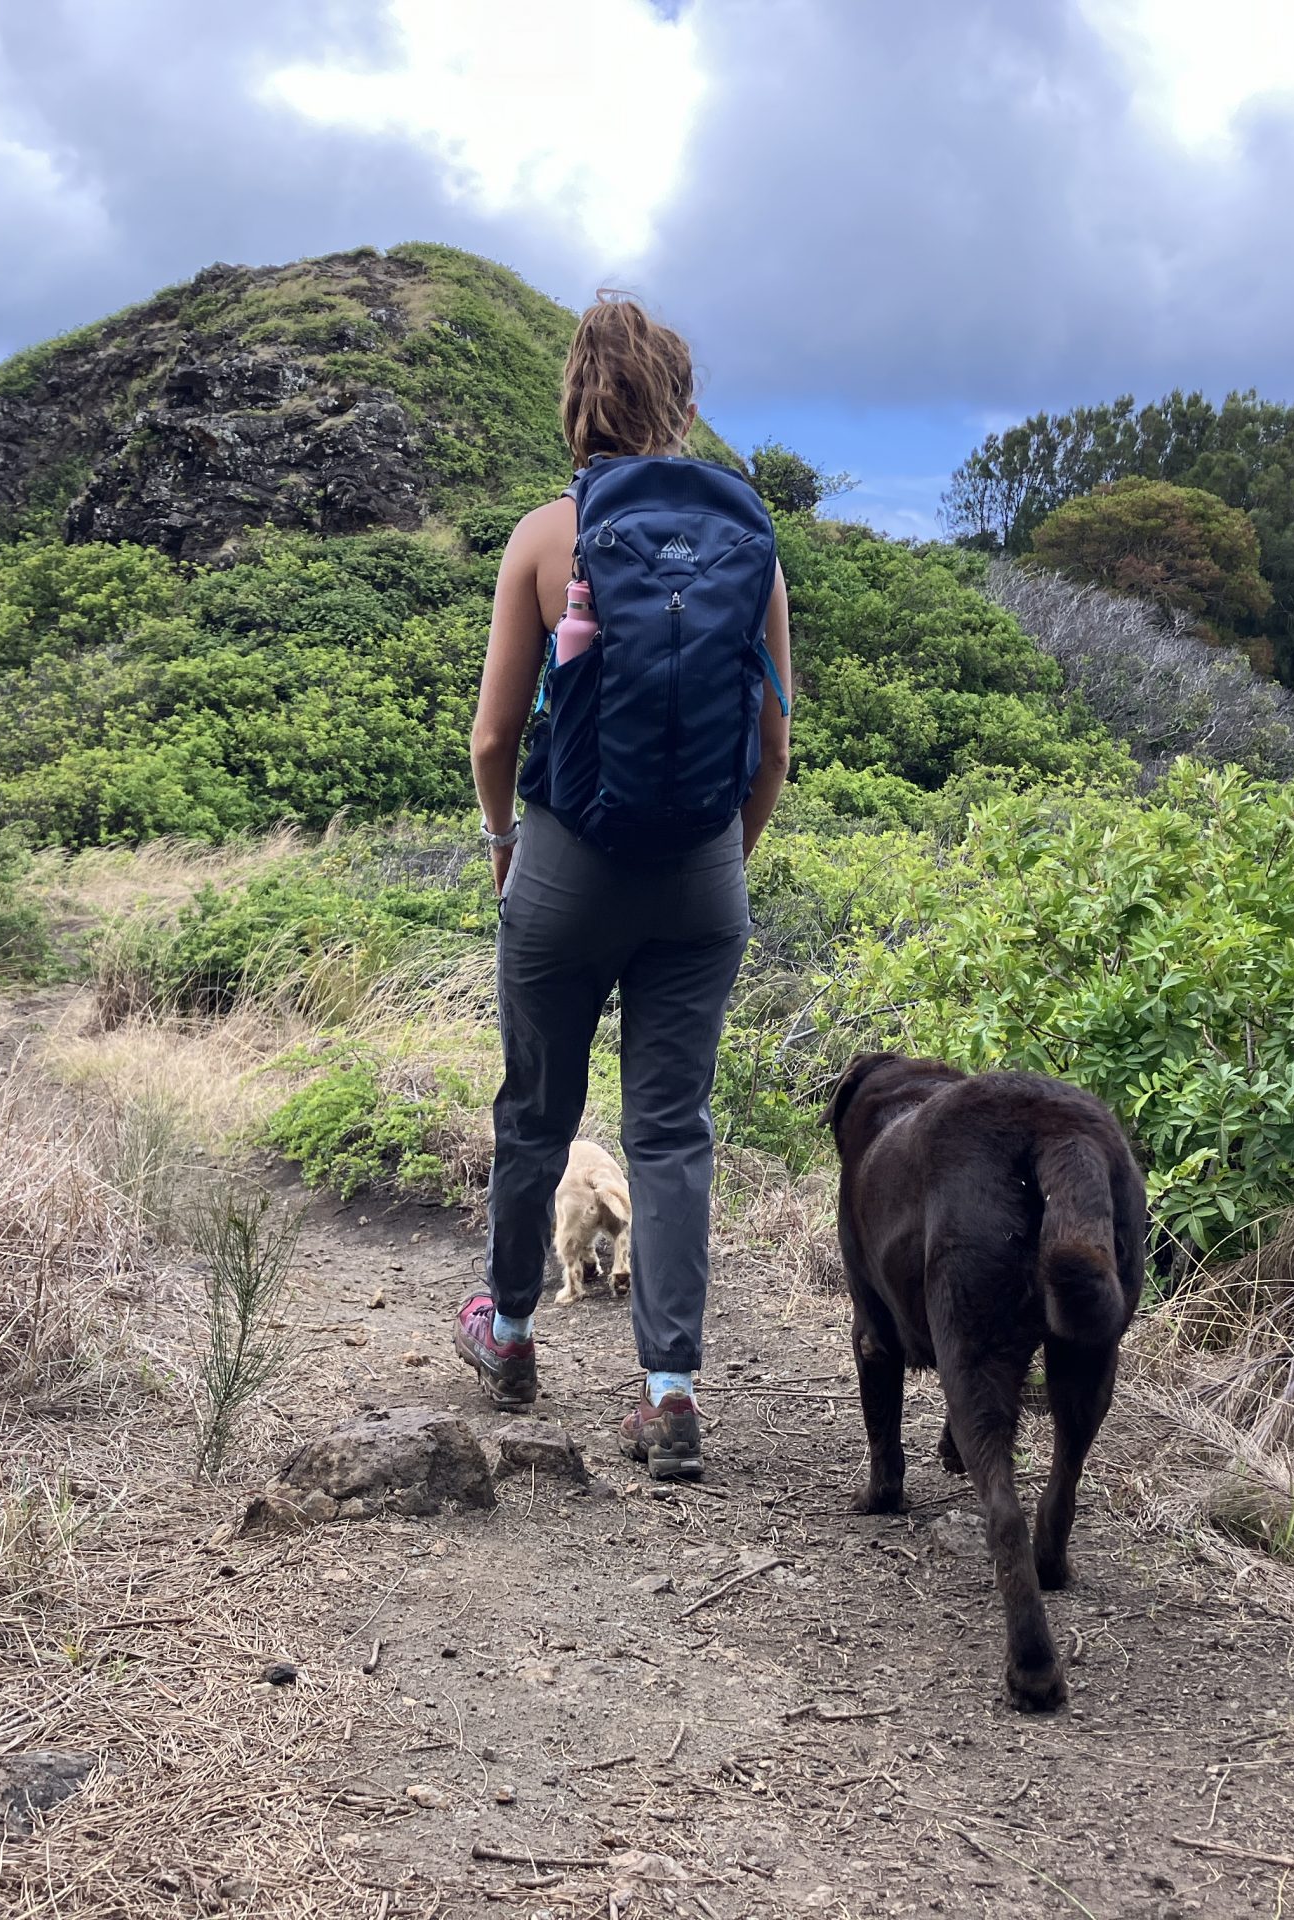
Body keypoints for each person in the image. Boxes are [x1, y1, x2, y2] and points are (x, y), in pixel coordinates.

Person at [450, 294, 793, 1481]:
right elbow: (774, 745)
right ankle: (670, 1391)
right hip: (701, 872)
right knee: (671, 1130)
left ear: (576, 398)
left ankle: (507, 1332)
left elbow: (497, 738)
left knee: (535, 1113)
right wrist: (717, 865)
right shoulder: (750, 535)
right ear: (679, 401)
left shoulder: (549, 537)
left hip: (565, 867)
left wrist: (507, 846)